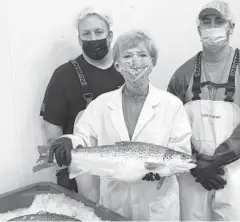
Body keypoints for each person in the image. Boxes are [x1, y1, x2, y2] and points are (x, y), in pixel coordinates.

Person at [50, 30, 192, 221]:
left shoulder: (171, 105)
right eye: (127, 56)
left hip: (157, 205)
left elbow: (180, 148)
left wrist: (162, 171)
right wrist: (68, 141)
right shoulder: (100, 105)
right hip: (114, 202)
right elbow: (82, 137)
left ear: (153, 61)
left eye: (142, 55)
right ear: (117, 65)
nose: (135, 62)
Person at [167, 0, 240, 221]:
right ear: (199, 29)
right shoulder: (182, 75)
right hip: (193, 168)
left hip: (235, 167)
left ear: (231, 27)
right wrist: (195, 162)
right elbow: (172, 123)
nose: (212, 26)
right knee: (191, 216)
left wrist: (216, 160)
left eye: (219, 21)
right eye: (206, 22)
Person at [39, 7, 124, 196]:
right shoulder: (64, 75)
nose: (93, 38)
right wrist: (62, 168)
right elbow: (51, 125)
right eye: (86, 33)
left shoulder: (126, 69)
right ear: (79, 39)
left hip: (122, 170)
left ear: (110, 35)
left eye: (98, 32)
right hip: (83, 174)